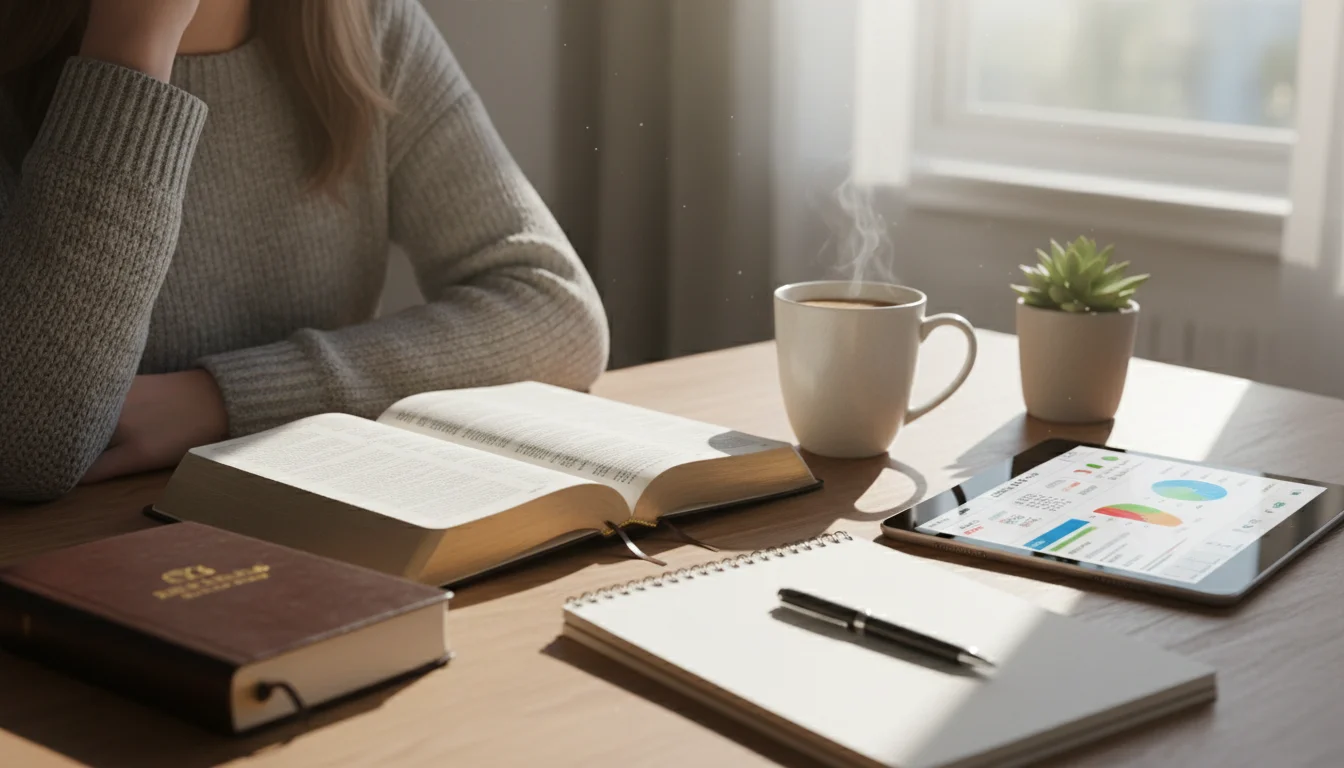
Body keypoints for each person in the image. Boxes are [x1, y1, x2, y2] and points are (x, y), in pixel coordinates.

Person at [0, 0, 610, 501]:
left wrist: (219, 399)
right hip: (78, 568)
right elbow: (25, 446)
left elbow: (556, 314)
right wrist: (134, 40)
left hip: (315, 531)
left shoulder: (369, 26)